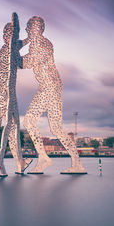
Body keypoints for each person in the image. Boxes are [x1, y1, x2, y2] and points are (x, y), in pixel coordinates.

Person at [21, 16, 86, 174]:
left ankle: (43, 157)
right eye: (29, 27)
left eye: (31, 27)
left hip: (48, 87)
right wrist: (23, 43)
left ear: (38, 29)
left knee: (29, 121)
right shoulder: (46, 42)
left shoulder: (38, 43)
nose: (29, 30)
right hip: (54, 87)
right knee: (56, 128)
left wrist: (11, 55)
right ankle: (77, 164)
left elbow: (27, 63)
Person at [0, 13, 32, 176]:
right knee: (10, 124)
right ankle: (0, 159)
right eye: (9, 35)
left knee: (4, 126)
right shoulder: (7, 51)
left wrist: (29, 39)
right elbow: (20, 57)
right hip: (6, 93)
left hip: (6, 92)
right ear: (6, 37)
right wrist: (18, 27)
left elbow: (20, 48)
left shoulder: (8, 50)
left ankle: (17, 162)